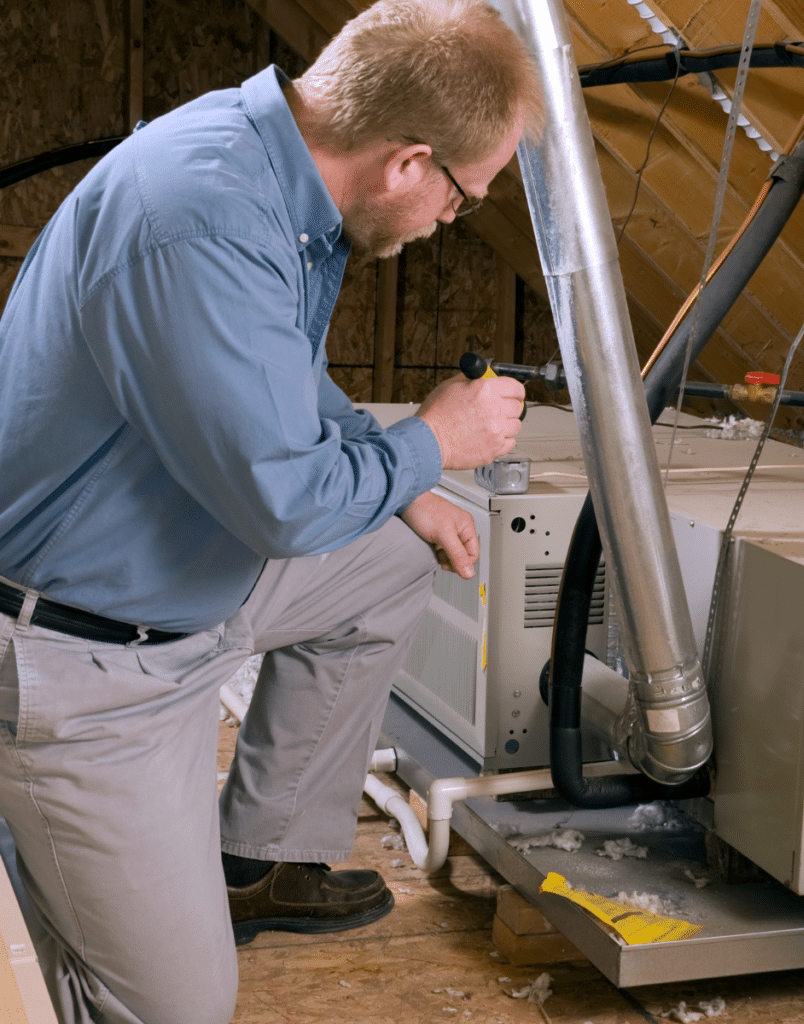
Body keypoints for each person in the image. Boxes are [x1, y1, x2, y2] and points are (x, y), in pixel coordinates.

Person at [0, 1, 543, 1021]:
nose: (444, 224)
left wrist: (409, 485)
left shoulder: (265, 160)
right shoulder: (199, 219)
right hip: (86, 664)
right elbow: (284, 509)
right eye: (462, 200)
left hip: (173, 584)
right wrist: (435, 437)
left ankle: (258, 855)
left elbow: (272, 380)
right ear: (406, 164)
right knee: (179, 1007)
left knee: (381, 564)